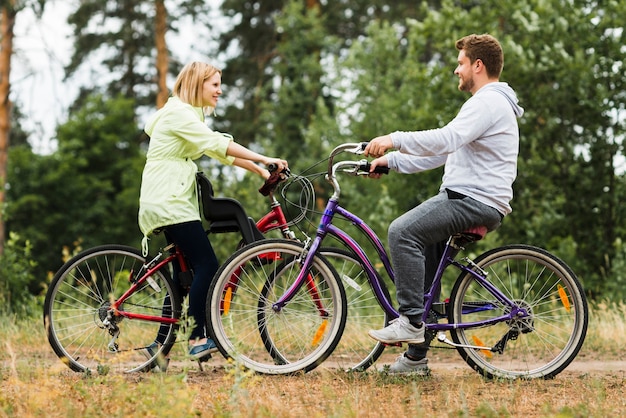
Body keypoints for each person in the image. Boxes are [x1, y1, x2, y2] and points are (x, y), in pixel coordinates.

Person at [364, 34, 524, 374]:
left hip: (472, 200)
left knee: (402, 232)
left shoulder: (488, 102)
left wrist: (394, 138)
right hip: (469, 197)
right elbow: (443, 152)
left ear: (477, 66)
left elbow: (446, 138)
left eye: (461, 63)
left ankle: (409, 321)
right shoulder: (489, 104)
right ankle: (415, 359)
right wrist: (392, 161)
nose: (456, 70)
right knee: (424, 266)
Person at [138, 62, 288, 365]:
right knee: (207, 263)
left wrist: (259, 169)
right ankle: (196, 338)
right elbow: (216, 142)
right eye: (215, 85)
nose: (220, 91)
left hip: (167, 197)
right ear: (197, 84)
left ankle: (158, 347)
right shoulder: (179, 113)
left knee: (186, 276)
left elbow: (219, 149)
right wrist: (265, 157)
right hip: (170, 200)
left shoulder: (185, 114)